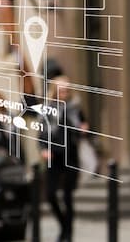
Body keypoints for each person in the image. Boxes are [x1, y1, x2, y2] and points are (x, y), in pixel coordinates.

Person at [39, 74, 89, 242]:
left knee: (68, 196)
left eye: (66, 91)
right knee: (50, 194)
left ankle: (67, 235)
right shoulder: (47, 109)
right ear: (55, 91)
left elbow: (84, 127)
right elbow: (41, 132)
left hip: (71, 155)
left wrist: (83, 128)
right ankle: (63, 227)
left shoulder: (75, 107)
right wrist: (43, 149)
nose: (64, 94)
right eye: (61, 91)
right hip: (54, 155)